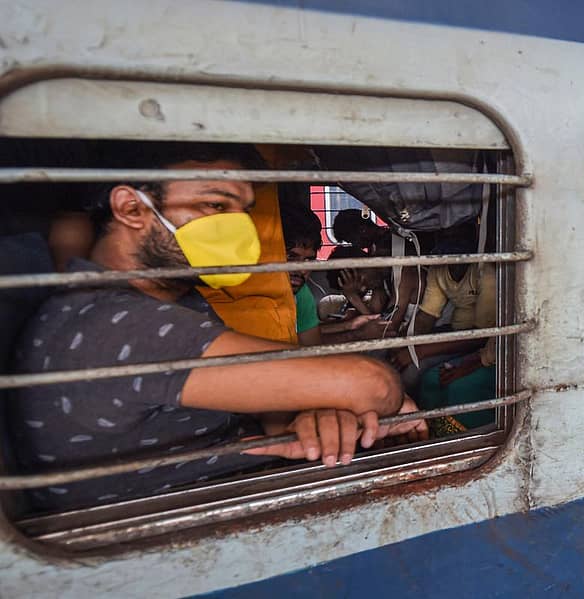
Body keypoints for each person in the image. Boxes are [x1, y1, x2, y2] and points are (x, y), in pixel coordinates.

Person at [8, 142, 424, 512]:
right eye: (216, 206)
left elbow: (268, 415)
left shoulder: (180, 300)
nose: (238, 228)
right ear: (131, 208)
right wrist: (359, 390)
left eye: (242, 211)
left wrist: (317, 414)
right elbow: (374, 387)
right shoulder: (117, 325)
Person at [389, 223, 496, 397]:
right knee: (397, 360)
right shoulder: (439, 269)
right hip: (455, 332)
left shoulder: (486, 274)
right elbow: (427, 316)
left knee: (414, 370)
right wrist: (405, 342)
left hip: (477, 342)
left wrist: (419, 351)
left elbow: (480, 336)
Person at [282, 204, 389, 345]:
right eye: (291, 257)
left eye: (308, 260)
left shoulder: (302, 294)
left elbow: (309, 341)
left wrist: (350, 324)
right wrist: (352, 327)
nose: (301, 269)